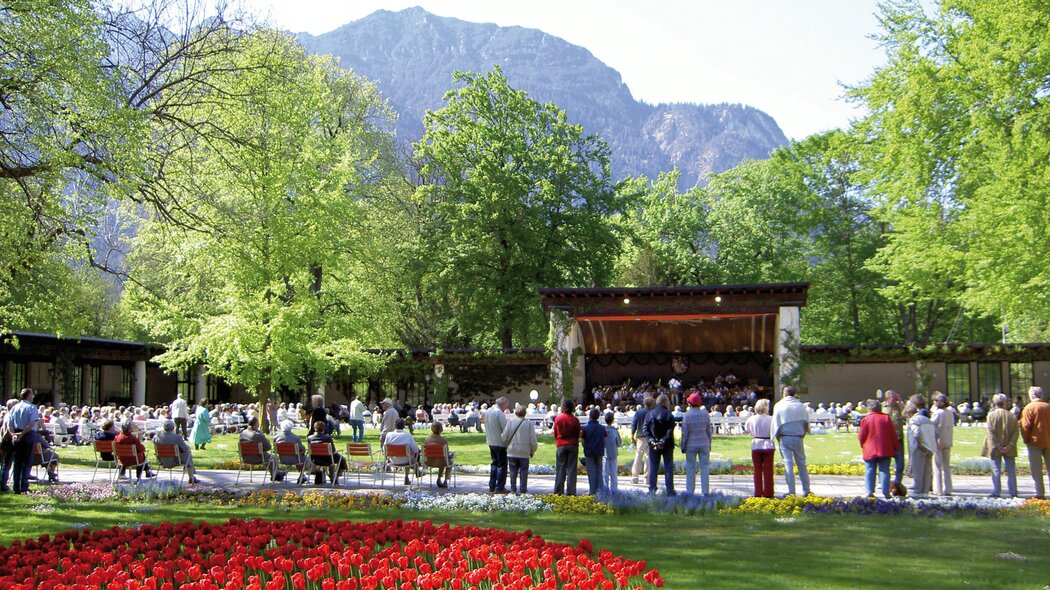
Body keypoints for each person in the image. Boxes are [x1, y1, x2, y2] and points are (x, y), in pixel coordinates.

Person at [771, 386, 810, 496]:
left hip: (785, 437)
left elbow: (776, 424)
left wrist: (777, 437)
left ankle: (791, 491)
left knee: (788, 465)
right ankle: (806, 489)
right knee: (802, 464)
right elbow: (806, 423)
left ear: (784, 393)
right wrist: (802, 434)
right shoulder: (800, 406)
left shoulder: (779, 406)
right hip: (798, 437)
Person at [858, 399, 899, 499]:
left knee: (869, 469)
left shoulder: (865, 420)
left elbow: (861, 436)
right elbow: (893, 434)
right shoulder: (886, 418)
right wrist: (895, 447)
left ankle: (869, 491)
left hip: (869, 449)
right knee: (884, 470)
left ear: (869, 409)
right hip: (884, 448)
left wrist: (863, 445)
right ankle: (886, 492)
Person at [982, 393, 1019, 498]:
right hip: (1009, 446)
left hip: (995, 446)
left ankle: (996, 491)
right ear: (1005, 403)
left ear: (995, 403)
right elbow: (1016, 431)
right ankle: (1013, 491)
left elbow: (990, 432)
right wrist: (1010, 445)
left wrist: (998, 445)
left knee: (996, 469)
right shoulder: (1012, 415)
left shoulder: (991, 415)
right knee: (1011, 469)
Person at [6, 388, 40, 494]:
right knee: (27, 461)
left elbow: (9, 423)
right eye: (32, 395)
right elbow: (31, 424)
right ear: (28, 396)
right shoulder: (32, 407)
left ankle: (16, 487)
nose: (33, 397)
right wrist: (22, 434)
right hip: (28, 435)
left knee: (17, 462)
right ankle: (24, 486)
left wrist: (13, 435)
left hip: (16, 434)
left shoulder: (14, 407)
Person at [1020, 386, 1050, 499]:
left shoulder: (1029, 408)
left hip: (1035, 442)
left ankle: (1040, 493)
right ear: (1041, 395)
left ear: (1032, 395)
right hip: (1048, 441)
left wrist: (1026, 439)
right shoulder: (1048, 407)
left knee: (1036, 469)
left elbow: (1025, 426)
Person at [680, 392, 713, 495]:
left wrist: (683, 445)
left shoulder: (687, 415)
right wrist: (709, 443)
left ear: (689, 403)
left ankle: (690, 491)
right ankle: (705, 491)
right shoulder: (705, 414)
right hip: (704, 443)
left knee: (690, 467)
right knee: (705, 467)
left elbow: (685, 433)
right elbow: (709, 431)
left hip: (691, 444)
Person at [643, 393, 676, 496]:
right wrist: (663, 441)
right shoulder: (669, 414)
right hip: (667, 445)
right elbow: (670, 431)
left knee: (653, 467)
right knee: (668, 468)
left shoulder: (650, 414)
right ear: (665, 402)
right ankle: (670, 490)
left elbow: (645, 429)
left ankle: (652, 489)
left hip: (654, 445)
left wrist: (652, 441)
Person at [905, 395, 936, 498]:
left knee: (918, 470)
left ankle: (917, 491)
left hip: (920, 447)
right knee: (927, 470)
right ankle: (925, 491)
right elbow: (936, 433)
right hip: (930, 447)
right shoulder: (928, 419)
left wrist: (919, 443)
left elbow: (916, 432)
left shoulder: (915, 419)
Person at [503, 405, 538, 494]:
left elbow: (504, 437)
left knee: (513, 471)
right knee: (524, 471)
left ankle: (513, 489)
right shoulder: (529, 424)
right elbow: (533, 440)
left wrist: (506, 446)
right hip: (524, 451)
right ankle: (523, 489)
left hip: (512, 450)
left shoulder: (510, 422)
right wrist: (532, 450)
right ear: (525, 413)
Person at [744, 398, 775, 498]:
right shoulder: (771, 419)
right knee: (768, 470)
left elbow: (747, 430)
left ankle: (758, 492)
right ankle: (769, 492)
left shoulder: (751, 419)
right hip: (768, 444)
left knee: (757, 470)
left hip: (756, 444)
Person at [239, 416, 286, 482]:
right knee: (273, 457)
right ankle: (276, 474)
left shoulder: (242, 433)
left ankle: (276, 474)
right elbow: (268, 447)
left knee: (267, 457)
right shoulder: (258, 435)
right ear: (256, 423)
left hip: (245, 458)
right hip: (257, 458)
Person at [154, 420, 201, 484]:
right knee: (188, 453)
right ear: (173, 428)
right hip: (175, 460)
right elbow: (185, 449)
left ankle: (191, 474)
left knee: (185, 453)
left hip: (162, 460)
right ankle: (191, 477)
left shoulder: (157, 437)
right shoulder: (177, 437)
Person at [553, 399, 581, 495]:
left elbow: (556, 433)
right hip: (573, 444)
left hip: (561, 444)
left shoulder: (558, 419)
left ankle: (558, 491)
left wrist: (558, 440)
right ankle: (571, 492)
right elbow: (578, 433)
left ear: (563, 407)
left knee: (560, 468)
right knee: (572, 470)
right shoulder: (575, 420)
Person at [307, 420, 348, 485]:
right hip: (328, 459)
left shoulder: (309, 438)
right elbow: (333, 451)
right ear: (324, 428)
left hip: (315, 459)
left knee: (337, 458)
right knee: (342, 459)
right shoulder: (327, 438)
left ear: (314, 428)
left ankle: (332, 476)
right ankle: (334, 477)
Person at [484, 397, 510, 493]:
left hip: (491, 441)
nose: (506, 408)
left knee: (494, 463)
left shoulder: (488, 411)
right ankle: (500, 486)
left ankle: (492, 485)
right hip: (500, 442)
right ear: (503, 404)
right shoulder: (499, 413)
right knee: (502, 465)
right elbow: (505, 428)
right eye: (506, 405)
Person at [383, 418, 419, 486]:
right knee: (411, 455)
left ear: (395, 425)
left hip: (393, 460)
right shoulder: (408, 435)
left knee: (408, 455)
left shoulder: (389, 435)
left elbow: (384, 449)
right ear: (404, 426)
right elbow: (415, 450)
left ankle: (411, 474)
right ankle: (408, 476)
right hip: (407, 460)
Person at [931, 392, 955, 496]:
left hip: (939, 441)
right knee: (946, 466)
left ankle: (938, 489)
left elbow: (931, 424)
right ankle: (948, 488)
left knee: (937, 466)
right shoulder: (950, 412)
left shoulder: (938, 413)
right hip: (948, 440)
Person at [884, 389, 906, 489]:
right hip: (887, 440)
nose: (894, 401)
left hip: (898, 438)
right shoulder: (882, 407)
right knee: (885, 462)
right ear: (887, 399)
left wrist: (900, 402)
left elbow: (906, 414)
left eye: (895, 398)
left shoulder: (899, 406)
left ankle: (897, 482)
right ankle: (885, 482)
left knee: (900, 463)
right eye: (892, 399)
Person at [582, 408, 606, 495]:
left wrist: (585, 447)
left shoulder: (585, 428)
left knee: (592, 472)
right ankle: (601, 491)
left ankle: (592, 492)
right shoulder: (602, 428)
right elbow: (605, 439)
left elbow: (583, 441)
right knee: (599, 471)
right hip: (599, 451)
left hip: (589, 452)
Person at [424, 421, 454, 488]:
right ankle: (445, 480)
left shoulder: (427, 439)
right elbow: (446, 452)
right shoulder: (443, 440)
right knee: (449, 460)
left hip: (429, 462)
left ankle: (439, 479)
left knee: (441, 458)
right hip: (441, 462)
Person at [630, 397, 653, 484]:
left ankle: (635, 477)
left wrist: (632, 435)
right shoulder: (651, 412)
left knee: (638, 457)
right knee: (648, 458)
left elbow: (634, 424)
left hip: (640, 436)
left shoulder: (639, 412)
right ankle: (646, 479)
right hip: (649, 436)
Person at [0, 399, 19, 492]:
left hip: (6, 441)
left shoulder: (7, 415)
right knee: (6, 464)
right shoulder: (10, 416)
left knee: (5, 464)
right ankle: (3, 485)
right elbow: (9, 430)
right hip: (8, 442)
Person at [603, 411, 621, 493]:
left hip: (605, 453)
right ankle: (614, 490)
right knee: (614, 473)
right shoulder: (614, 430)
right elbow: (619, 442)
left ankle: (605, 489)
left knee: (605, 473)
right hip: (613, 453)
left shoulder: (603, 430)